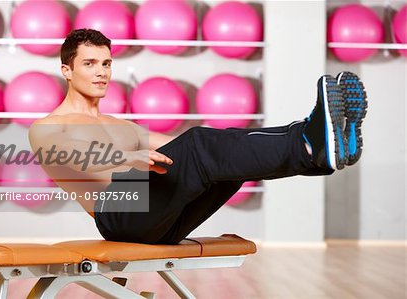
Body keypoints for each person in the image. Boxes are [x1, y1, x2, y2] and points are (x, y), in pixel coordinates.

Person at [28, 29, 367, 245]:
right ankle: (309, 141)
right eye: (89, 63)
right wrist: (123, 159)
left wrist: (218, 145)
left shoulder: (118, 124)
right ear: (67, 71)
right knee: (201, 144)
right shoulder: (48, 126)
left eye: (106, 62)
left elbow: (177, 150)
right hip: (119, 215)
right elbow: (68, 157)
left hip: (161, 223)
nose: (102, 71)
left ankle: (313, 143)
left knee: (224, 154)